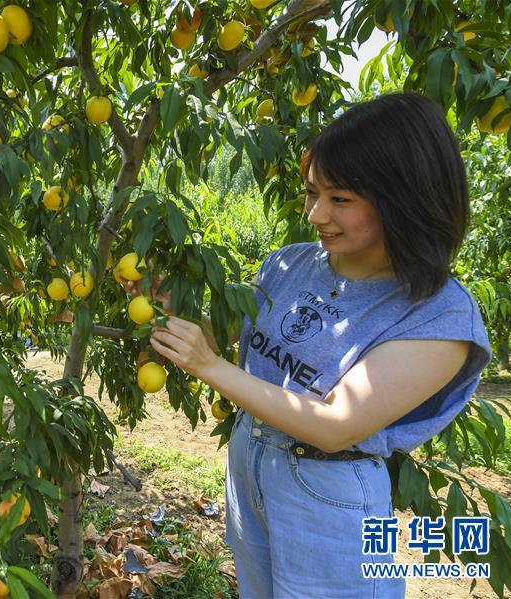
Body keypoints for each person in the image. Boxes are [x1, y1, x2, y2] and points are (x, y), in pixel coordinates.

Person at [148, 93, 491, 598]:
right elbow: (240, 340)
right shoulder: (290, 264)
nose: (315, 214)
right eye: (312, 193)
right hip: (251, 467)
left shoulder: (438, 315)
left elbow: (335, 426)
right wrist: (174, 312)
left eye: (339, 199)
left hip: (329, 493)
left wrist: (208, 366)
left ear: (403, 198)